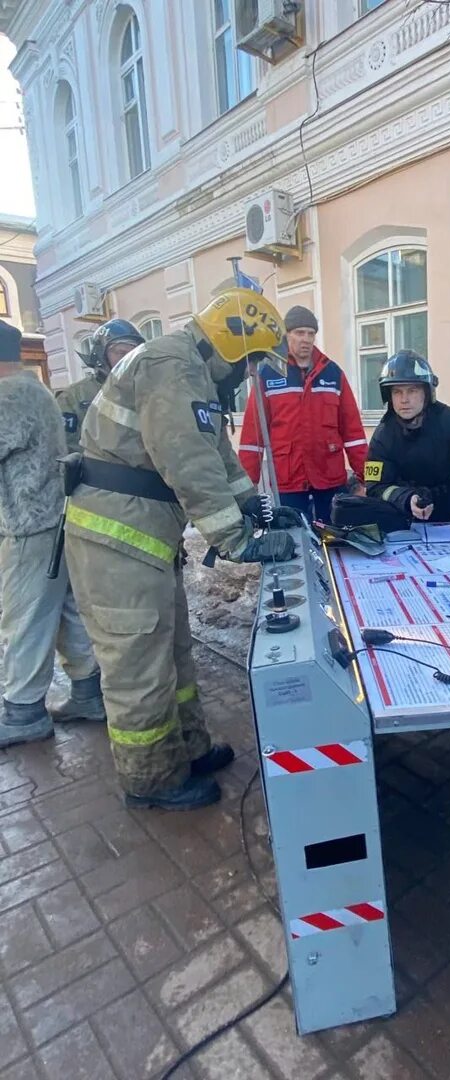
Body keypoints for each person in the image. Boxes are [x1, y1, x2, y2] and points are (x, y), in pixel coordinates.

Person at [65, 287, 297, 811]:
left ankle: (185, 750)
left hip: (138, 538)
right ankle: (150, 780)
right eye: (253, 361)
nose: (252, 374)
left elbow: (214, 452)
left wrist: (256, 508)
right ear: (231, 349)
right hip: (115, 542)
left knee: (171, 654)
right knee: (138, 666)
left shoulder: (189, 371)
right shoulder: (173, 368)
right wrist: (237, 540)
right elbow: (187, 463)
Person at [0, 325, 103, 749]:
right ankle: (88, 693)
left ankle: (23, 713)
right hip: (54, 519)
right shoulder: (35, 390)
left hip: (30, 525)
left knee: (23, 618)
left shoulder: (10, 396)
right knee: (63, 612)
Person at [239, 305, 367, 522]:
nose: (306, 339)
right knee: (296, 540)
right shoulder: (267, 373)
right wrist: (247, 484)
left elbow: (353, 433)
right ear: (286, 335)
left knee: (334, 538)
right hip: (288, 480)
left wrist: (368, 479)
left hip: (329, 477)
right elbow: (253, 435)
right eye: (299, 333)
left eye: (311, 333)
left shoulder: (333, 373)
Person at [363, 351, 450, 522]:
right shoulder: (382, 436)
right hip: (408, 523)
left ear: (427, 393)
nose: (404, 400)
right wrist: (407, 499)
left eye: (412, 390)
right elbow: (375, 487)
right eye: (397, 392)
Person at [56, 320, 145, 452]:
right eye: (121, 352)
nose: (129, 358)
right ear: (100, 355)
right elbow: (65, 448)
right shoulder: (73, 397)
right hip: (95, 469)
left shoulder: (146, 390)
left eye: (134, 353)